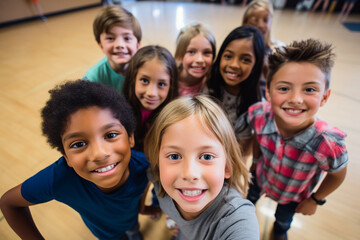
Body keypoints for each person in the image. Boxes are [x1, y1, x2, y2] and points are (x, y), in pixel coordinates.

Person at [0, 80, 157, 240]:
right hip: (107, 235)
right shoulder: (60, 179)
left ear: (130, 138)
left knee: (134, 230)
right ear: (66, 157)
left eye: (110, 135)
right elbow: (9, 203)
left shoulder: (145, 166)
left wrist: (142, 207)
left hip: (131, 220)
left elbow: (146, 184)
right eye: (79, 144)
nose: (99, 154)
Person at [241, 39, 348, 240]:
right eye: (284, 88)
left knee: (283, 219)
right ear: (268, 92)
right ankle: (246, 214)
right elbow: (257, 138)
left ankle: (280, 230)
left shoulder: (328, 143)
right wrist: (254, 163)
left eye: (309, 89)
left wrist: (316, 200)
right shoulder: (259, 115)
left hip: (294, 196)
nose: (296, 99)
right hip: (261, 177)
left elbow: (337, 175)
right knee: (249, 199)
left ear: (324, 97)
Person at [144, 95, 259, 240]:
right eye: (174, 156)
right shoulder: (156, 178)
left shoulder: (235, 218)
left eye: (207, 157)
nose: (190, 174)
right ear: (158, 162)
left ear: (228, 167)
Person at [123, 45, 178, 223]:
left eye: (161, 84)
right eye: (144, 81)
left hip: (155, 167)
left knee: (160, 188)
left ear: (171, 86)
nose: (151, 93)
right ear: (133, 79)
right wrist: (140, 206)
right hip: (132, 170)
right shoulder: (120, 112)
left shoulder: (170, 118)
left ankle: (161, 207)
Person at [203, 25, 265, 159]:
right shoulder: (208, 85)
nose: (234, 65)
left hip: (230, 161)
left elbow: (243, 149)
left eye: (245, 60)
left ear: (256, 64)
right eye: (228, 56)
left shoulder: (256, 102)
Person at [83, 5, 141, 93]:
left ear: (138, 45)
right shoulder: (92, 78)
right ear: (101, 45)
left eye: (127, 38)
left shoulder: (146, 69)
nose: (119, 45)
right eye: (110, 38)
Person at [242, 0, 285, 98]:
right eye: (255, 20)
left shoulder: (279, 50)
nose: (260, 25)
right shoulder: (240, 50)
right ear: (245, 23)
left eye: (265, 20)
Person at [174, 23, 216, 96]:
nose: (200, 60)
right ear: (179, 56)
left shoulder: (212, 83)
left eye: (206, 52)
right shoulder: (169, 79)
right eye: (191, 52)